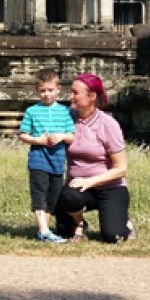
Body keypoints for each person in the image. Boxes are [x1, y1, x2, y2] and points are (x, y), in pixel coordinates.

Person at [54, 73, 137, 243]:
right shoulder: (66, 117)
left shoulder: (108, 124)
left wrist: (89, 181)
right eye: (71, 92)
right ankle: (79, 223)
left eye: (76, 93)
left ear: (92, 96)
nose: (70, 96)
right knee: (64, 229)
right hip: (78, 188)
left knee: (113, 236)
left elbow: (121, 168)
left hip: (110, 188)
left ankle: (124, 222)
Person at [18, 68, 75, 243]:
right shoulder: (32, 111)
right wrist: (39, 141)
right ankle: (43, 230)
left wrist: (61, 136)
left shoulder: (65, 112)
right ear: (37, 91)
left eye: (50, 90)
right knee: (39, 194)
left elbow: (71, 135)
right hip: (38, 159)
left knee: (54, 195)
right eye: (42, 91)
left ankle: (45, 229)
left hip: (57, 161)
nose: (46, 94)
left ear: (58, 89)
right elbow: (23, 134)